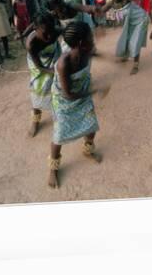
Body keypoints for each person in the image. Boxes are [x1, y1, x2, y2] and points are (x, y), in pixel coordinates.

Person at [48, 21, 107, 188]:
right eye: (91, 38)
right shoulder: (63, 63)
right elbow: (68, 94)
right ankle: (53, 167)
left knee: (91, 126)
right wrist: (95, 91)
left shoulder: (86, 51)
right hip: (64, 100)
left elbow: (95, 53)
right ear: (81, 43)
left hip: (82, 92)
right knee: (59, 134)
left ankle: (88, 150)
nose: (93, 40)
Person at [26, 12, 62, 137]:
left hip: (54, 54)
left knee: (59, 85)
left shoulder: (55, 31)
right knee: (38, 88)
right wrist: (52, 71)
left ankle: (60, 113)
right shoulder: (31, 44)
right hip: (38, 64)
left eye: (51, 31)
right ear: (36, 29)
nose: (49, 36)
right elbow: (39, 67)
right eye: (45, 33)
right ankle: (35, 121)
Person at [100, 0, 149, 75]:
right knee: (126, 39)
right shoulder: (111, 3)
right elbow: (100, 11)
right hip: (130, 22)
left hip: (141, 20)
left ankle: (135, 65)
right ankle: (125, 57)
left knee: (135, 42)